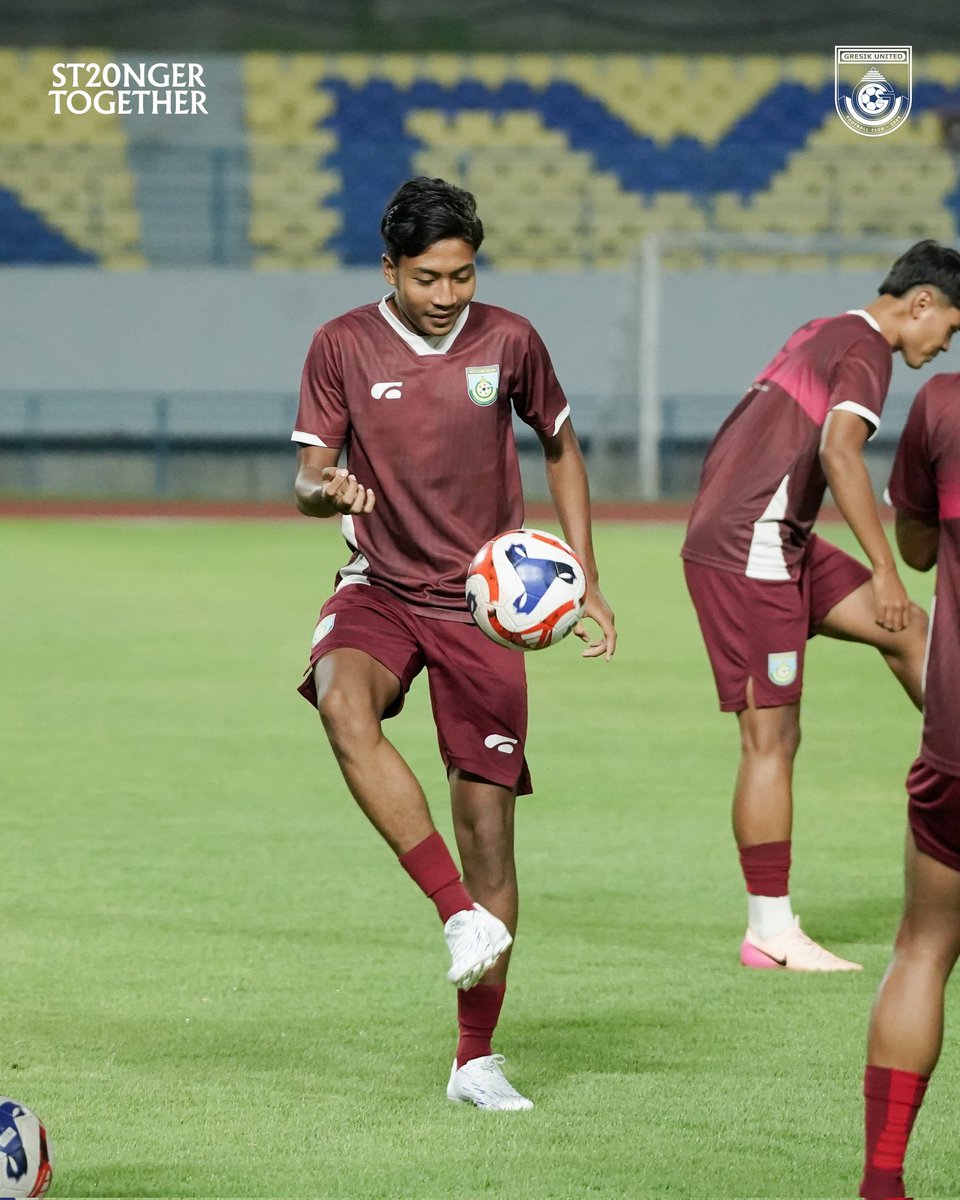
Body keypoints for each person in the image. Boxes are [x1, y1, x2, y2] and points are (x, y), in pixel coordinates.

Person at [291, 177, 616, 1110]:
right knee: (342, 703)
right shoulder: (342, 345)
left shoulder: (510, 340)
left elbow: (560, 443)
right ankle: (453, 917)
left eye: (463, 275)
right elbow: (309, 475)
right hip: (382, 588)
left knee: (492, 843)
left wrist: (581, 575)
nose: (447, 295)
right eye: (428, 277)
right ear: (389, 267)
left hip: (487, 608)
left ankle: (475, 1060)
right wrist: (330, 492)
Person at [681, 240, 960, 972]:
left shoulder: (826, 330)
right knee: (773, 738)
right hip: (753, 549)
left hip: (780, 541)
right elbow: (840, 453)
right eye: (951, 329)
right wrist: (885, 569)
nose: (946, 343)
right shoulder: (869, 350)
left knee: (912, 635)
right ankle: (769, 933)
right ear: (921, 303)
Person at [858, 370, 960, 1200]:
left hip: (956, 739)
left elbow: (920, 546)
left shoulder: (942, 404)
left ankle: (883, 1183)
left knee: (923, 949)